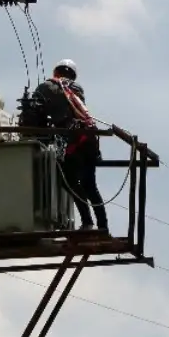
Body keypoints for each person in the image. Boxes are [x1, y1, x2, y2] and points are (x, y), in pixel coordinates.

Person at [18, 59, 109, 233]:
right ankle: (102, 226)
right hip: (89, 138)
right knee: (90, 185)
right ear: (72, 75)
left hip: (74, 141)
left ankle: (88, 222)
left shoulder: (45, 87)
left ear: (55, 72)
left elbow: (36, 116)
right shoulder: (76, 88)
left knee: (69, 181)